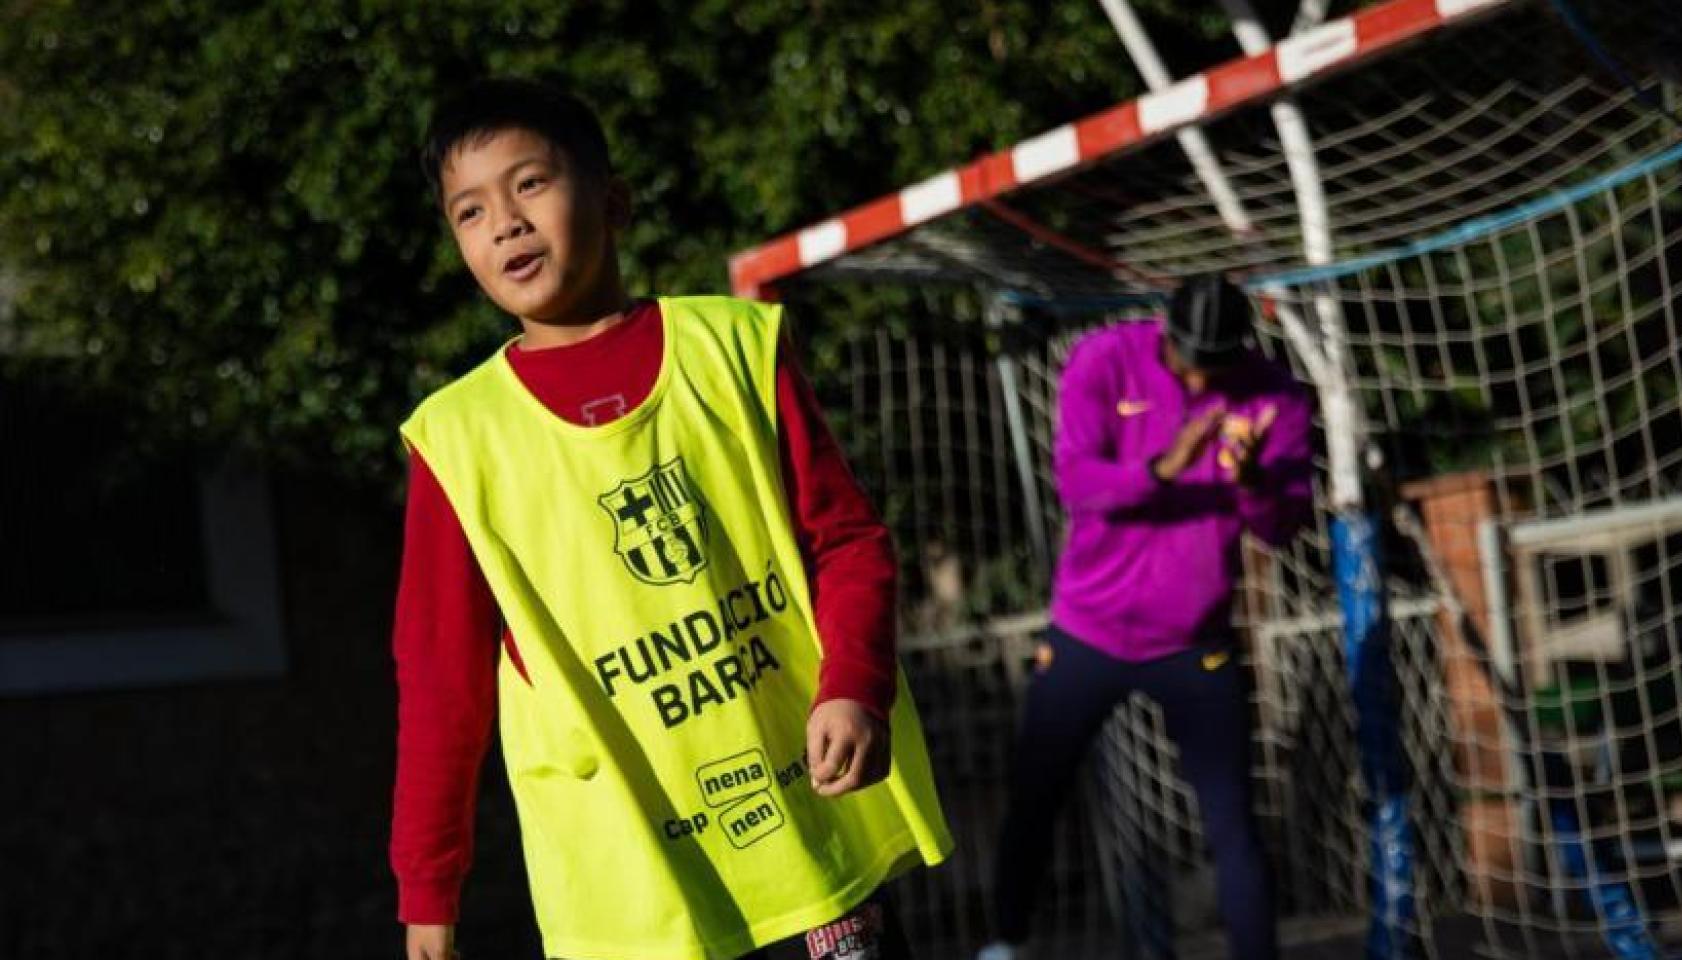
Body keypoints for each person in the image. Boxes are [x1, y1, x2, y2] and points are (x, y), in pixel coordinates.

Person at [390, 78, 951, 960]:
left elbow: (847, 542)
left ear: (612, 201)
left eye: (529, 184)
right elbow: (438, 683)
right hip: (633, 892)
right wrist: (429, 887)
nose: (503, 222)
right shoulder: (457, 442)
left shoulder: (733, 348)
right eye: (469, 211)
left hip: (807, 844)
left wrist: (853, 682)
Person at [976, 275, 1314, 960]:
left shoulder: (1273, 395)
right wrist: (1164, 467)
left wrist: (1250, 482)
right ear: (1165, 330)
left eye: (1213, 362)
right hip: (1087, 630)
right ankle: (1003, 943)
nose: (1197, 373)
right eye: (1187, 354)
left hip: (1193, 643)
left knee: (1233, 822)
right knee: (1035, 793)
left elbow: (1282, 527)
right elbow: (1076, 483)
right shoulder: (1104, 360)